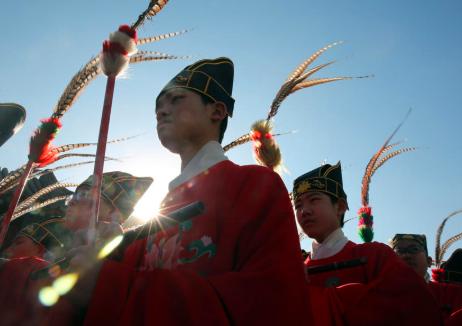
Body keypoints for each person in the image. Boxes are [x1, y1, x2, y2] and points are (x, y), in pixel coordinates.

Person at [48, 57, 308, 325]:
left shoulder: (256, 184)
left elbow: (271, 303)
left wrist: (109, 285)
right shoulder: (160, 212)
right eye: (158, 107)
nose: (161, 111)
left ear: (216, 111)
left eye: (176, 99)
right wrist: (110, 256)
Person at [294, 162, 442, 325]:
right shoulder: (295, 269)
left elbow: (413, 304)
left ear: (340, 207)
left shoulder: (375, 255)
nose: (304, 211)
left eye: (314, 200)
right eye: (298, 205)